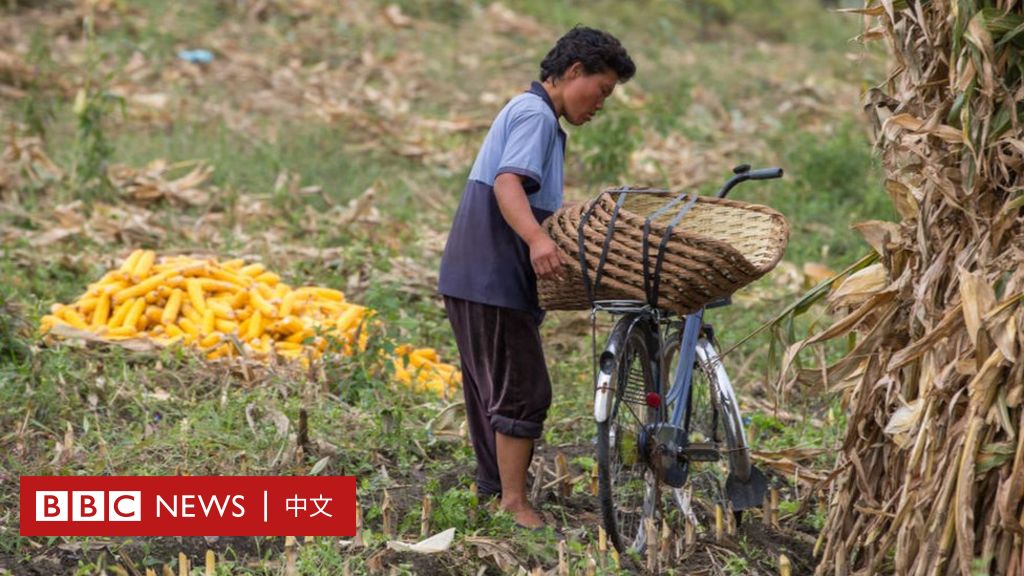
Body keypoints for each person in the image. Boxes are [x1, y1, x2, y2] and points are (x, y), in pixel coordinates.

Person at [438, 26, 635, 529]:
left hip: (470, 274)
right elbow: (508, 184)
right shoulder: (536, 115)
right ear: (574, 73)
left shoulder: (528, 111)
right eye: (602, 90)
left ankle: (491, 492)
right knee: (523, 389)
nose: (601, 105)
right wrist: (538, 241)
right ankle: (513, 502)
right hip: (491, 274)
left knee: (491, 389)